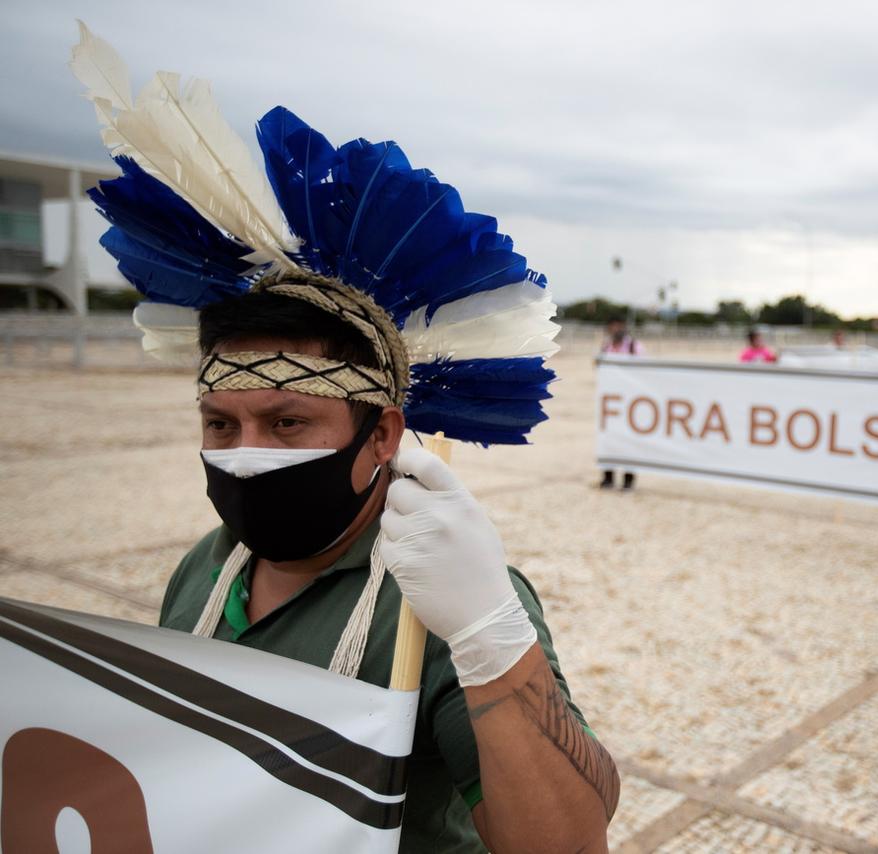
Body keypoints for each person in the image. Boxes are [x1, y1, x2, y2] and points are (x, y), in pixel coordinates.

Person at [73, 33, 617, 851]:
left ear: (382, 436)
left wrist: (492, 634)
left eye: (288, 422)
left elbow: (571, 839)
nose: (245, 452)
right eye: (221, 424)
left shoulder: (437, 600)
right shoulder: (204, 566)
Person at [599, 317, 641, 490]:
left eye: (618, 326)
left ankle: (628, 479)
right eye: (612, 326)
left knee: (631, 440)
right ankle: (608, 477)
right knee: (608, 439)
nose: (615, 329)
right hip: (609, 401)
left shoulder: (635, 347)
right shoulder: (606, 346)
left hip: (630, 401)